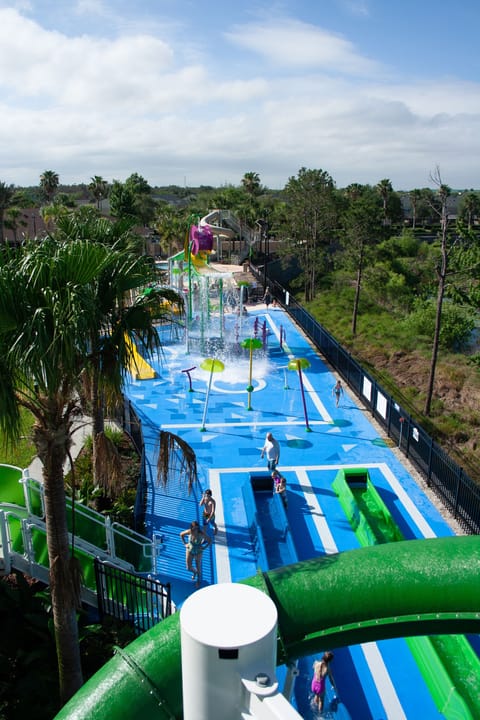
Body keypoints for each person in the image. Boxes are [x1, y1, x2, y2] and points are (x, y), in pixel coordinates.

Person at [179, 520, 211, 587]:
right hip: (190, 549)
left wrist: (204, 548)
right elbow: (181, 534)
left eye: (197, 528)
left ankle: (198, 581)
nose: (196, 530)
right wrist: (185, 544)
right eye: (194, 528)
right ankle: (195, 572)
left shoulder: (201, 533)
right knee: (188, 568)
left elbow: (209, 541)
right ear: (192, 528)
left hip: (198, 552)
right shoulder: (190, 531)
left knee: (198, 567)